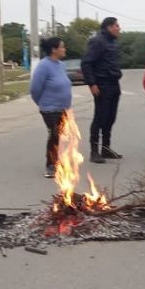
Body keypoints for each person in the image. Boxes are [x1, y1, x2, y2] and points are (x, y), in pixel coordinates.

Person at [81, 17, 123, 164]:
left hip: (114, 84)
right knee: (100, 118)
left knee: (110, 118)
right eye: (117, 26)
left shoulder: (113, 42)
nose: (119, 28)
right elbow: (86, 63)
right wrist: (92, 84)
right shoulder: (98, 41)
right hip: (102, 85)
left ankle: (106, 149)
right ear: (109, 27)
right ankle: (94, 151)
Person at [29, 37, 72, 178]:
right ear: (54, 49)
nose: (64, 49)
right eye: (62, 47)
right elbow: (35, 89)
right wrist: (43, 104)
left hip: (63, 108)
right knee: (54, 135)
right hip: (50, 109)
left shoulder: (60, 65)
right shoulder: (43, 66)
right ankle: (50, 166)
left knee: (61, 136)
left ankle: (59, 162)